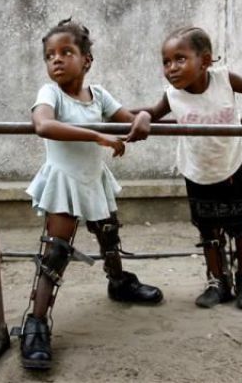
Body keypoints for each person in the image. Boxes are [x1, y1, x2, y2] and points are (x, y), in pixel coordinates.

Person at [16, 18, 163, 370]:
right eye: (50, 55)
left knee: (108, 234)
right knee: (55, 252)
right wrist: (97, 135)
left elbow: (128, 119)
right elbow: (43, 125)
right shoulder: (50, 93)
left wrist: (143, 117)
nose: (56, 59)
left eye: (66, 52)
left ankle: (119, 282)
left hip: (93, 178)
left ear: (87, 60)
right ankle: (36, 323)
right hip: (64, 181)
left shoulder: (99, 95)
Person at [133, 26, 242, 311]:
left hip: (234, 168)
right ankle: (218, 282)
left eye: (180, 59)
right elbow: (151, 112)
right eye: (166, 62)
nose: (171, 68)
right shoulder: (172, 96)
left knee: (240, 229)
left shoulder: (224, 79)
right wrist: (143, 115)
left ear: (204, 61)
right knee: (209, 231)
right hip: (198, 173)